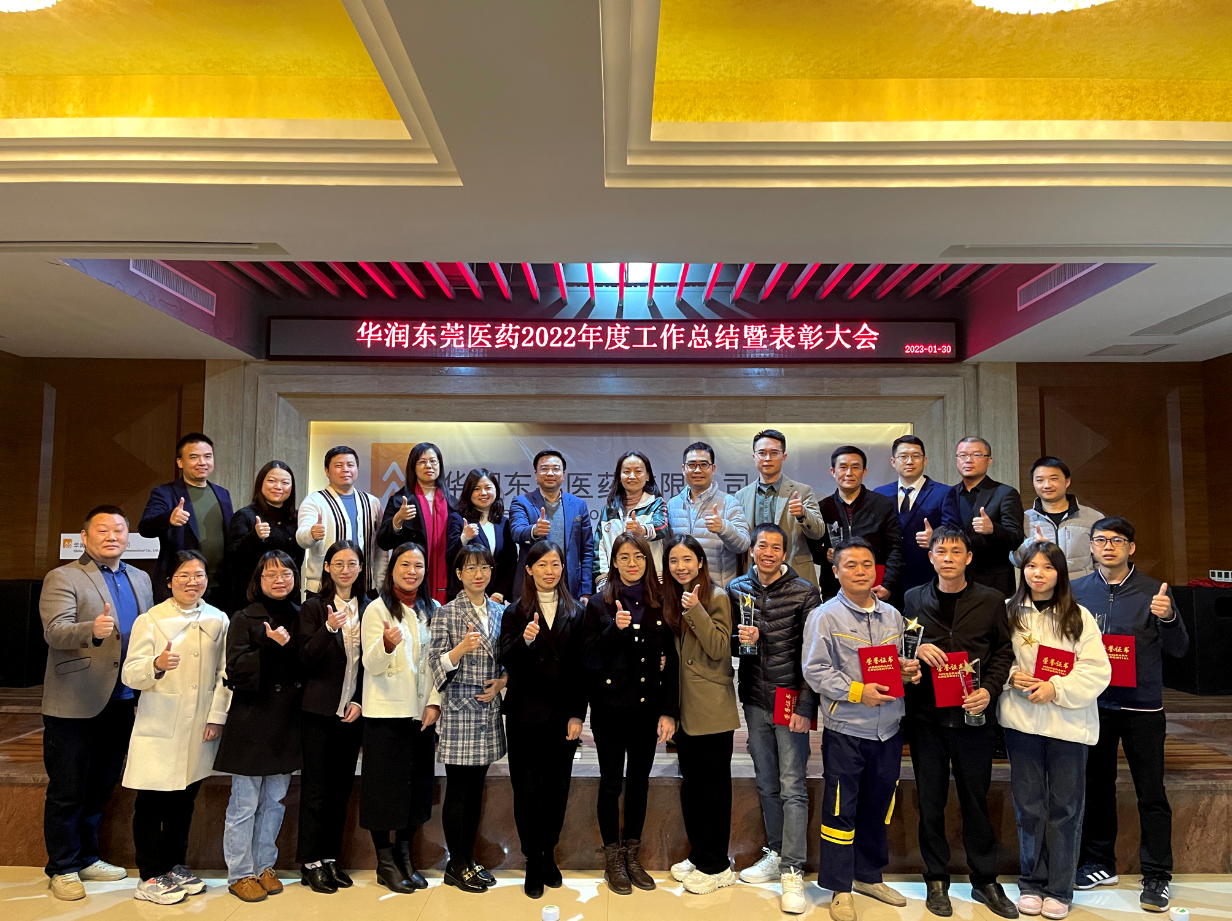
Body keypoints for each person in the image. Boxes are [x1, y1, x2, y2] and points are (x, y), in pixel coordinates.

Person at [1073, 518, 1189, 912]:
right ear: (1091, 546)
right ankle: (1099, 863)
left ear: (1131, 548)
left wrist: (1169, 617)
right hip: (1094, 706)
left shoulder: (1155, 591)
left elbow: (1179, 649)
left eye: (1117, 540)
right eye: (1101, 540)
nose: (1108, 546)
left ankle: (1157, 875)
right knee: (1097, 788)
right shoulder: (1076, 591)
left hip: (1142, 708)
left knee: (1151, 793)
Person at [903, 526, 1018, 919]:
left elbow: (1003, 651)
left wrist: (990, 689)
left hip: (974, 717)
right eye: (941, 551)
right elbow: (901, 648)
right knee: (930, 802)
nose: (948, 558)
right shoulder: (913, 598)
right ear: (930, 557)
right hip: (927, 718)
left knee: (976, 800)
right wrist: (918, 648)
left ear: (969, 558)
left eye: (956, 551)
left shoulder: (990, 599)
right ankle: (936, 878)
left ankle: (985, 879)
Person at [40, 505, 153, 900]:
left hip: (123, 698)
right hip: (74, 700)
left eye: (119, 530)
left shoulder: (140, 578)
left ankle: (87, 857)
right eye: (102, 530)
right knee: (67, 788)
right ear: (84, 537)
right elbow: (55, 631)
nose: (112, 536)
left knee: (101, 785)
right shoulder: (64, 576)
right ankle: (63, 867)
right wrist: (93, 629)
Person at [803, 537, 915, 921]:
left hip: (889, 730)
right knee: (840, 810)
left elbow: (895, 663)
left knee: (878, 807)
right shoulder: (824, 616)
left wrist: (907, 671)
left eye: (867, 564)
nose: (860, 571)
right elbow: (815, 670)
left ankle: (868, 875)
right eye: (850, 565)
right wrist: (857, 691)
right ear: (836, 571)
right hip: (847, 730)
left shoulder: (893, 616)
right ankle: (839, 887)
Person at [1000, 542, 1111, 920]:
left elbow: (1097, 669)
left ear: (1060, 573)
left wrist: (1056, 688)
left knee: (1065, 808)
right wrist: (1011, 676)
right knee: (1029, 806)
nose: (1038, 573)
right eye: (1032, 566)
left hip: (1068, 724)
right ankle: (1032, 882)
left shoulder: (1079, 616)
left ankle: (1060, 889)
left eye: (1047, 567)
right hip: (1022, 722)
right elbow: (997, 657)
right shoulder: (1009, 611)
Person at [121, 550, 230, 905]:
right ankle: (150, 874)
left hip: (199, 726)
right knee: (153, 802)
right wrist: (156, 664)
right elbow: (130, 674)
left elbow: (224, 673)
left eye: (198, 575)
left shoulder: (218, 619)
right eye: (183, 575)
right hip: (160, 723)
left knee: (185, 801)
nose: (192, 582)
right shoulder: (151, 620)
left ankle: (174, 865)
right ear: (169, 581)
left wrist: (217, 716)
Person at [727, 523, 820, 915]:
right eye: (762, 545)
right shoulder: (736, 589)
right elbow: (728, 643)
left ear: (785, 553)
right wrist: (740, 641)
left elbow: (813, 653)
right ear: (751, 550)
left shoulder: (804, 592)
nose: (768, 552)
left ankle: (793, 869)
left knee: (792, 784)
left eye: (776, 547)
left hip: (790, 699)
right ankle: (777, 852)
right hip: (754, 698)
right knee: (766, 782)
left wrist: (806, 706)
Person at [581, 533, 679, 896]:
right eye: (624, 557)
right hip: (609, 710)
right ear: (614, 562)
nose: (632, 563)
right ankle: (613, 858)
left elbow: (672, 663)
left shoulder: (661, 602)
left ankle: (633, 855)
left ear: (647, 561)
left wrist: (668, 712)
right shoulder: (599, 604)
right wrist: (615, 629)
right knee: (611, 783)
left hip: (647, 709)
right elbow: (590, 658)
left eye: (638, 557)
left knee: (639, 781)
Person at [497, 541, 588, 899]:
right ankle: (532, 858)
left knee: (557, 789)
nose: (550, 571)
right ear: (529, 570)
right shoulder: (514, 611)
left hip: (562, 718)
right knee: (527, 790)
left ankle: (548, 852)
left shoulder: (576, 611)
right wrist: (525, 641)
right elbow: (506, 658)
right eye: (542, 565)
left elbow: (581, 669)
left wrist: (578, 714)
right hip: (525, 716)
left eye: (556, 564)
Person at [213, 551, 303, 903]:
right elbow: (235, 671)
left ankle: (265, 865)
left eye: (286, 573)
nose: (280, 580)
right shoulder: (244, 616)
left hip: (287, 721)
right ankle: (240, 872)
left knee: (275, 801)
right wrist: (267, 646)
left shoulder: (300, 614)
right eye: (271, 574)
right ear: (258, 580)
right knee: (244, 803)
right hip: (252, 720)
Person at [359, 542, 441, 894]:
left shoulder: (433, 609)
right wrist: (387, 645)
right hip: (386, 713)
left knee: (415, 789)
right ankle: (385, 862)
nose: (412, 572)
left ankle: (405, 857)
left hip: (421, 713)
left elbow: (437, 663)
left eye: (418, 565)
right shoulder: (376, 609)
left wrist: (435, 703)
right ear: (391, 569)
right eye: (405, 565)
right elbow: (370, 664)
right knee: (383, 790)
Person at [661, 535, 740, 895]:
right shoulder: (670, 598)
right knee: (692, 788)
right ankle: (699, 854)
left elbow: (720, 647)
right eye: (673, 561)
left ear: (701, 562)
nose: (680, 567)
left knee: (714, 791)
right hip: (685, 709)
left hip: (711, 708)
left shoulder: (717, 596)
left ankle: (718, 865)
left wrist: (695, 610)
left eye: (687, 559)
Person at [429, 544, 508, 893]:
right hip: (461, 709)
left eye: (484, 567)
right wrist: (460, 648)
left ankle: (469, 859)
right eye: (471, 568)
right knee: (459, 789)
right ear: (459, 574)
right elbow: (434, 665)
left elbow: (508, 657)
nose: (479, 574)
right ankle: (456, 863)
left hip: (488, 708)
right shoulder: (446, 612)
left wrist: (502, 681)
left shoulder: (500, 611)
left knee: (476, 789)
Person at [296, 540, 368, 894]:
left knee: (340, 790)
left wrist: (360, 701)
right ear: (327, 567)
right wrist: (328, 629)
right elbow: (304, 659)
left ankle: (329, 857)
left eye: (352, 563)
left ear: (360, 568)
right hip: (319, 712)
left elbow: (368, 664)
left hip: (351, 713)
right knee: (316, 789)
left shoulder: (369, 606)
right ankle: (310, 862)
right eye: (338, 563)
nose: (345, 569)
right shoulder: (313, 606)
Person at [140, 433, 233, 605]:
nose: (202, 462)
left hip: (220, 586)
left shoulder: (223, 494)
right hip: (183, 586)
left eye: (207, 456)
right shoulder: (165, 493)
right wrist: (168, 519)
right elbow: (145, 527)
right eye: (194, 457)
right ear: (180, 462)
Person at [734, 429, 825, 588]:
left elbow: (818, 532)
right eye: (762, 453)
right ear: (754, 456)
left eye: (774, 453)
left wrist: (803, 514)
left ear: (784, 456)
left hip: (795, 576)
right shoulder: (741, 496)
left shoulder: (803, 491)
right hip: (755, 579)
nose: (767, 458)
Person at [814, 446, 904, 603]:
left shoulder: (881, 504)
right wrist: (824, 554)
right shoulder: (823, 507)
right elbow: (810, 547)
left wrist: (888, 584)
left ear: (864, 472)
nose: (849, 473)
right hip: (834, 590)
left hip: (875, 588)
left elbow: (895, 548)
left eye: (855, 467)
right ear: (833, 471)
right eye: (843, 467)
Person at [940, 437, 1025, 599]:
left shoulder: (1005, 493)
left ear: (989, 460)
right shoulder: (948, 494)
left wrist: (993, 529)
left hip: (993, 582)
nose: (968, 460)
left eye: (977, 455)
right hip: (955, 581)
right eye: (963, 455)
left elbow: (1016, 537)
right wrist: (934, 537)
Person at [297, 445, 386, 599]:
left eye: (350, 465)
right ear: (327, 471)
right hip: (323, 589)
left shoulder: (372, 502)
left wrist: (380, 583)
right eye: (338, 465)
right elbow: (301, 538)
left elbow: (380, 549)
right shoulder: (314, 501)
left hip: (365, 589)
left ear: (357, 469)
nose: (345, 469)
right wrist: (311, 534)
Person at [377, 442, 459, 604]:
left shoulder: (453, 504)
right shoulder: (399, 500)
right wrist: (397, 520)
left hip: (447, 580)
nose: (428, 466)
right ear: (412, 467)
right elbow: (384, 542)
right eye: (422, 462)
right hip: (410, 578)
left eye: (433, 461)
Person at [873, 435, 949, 606]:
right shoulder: (879, 494)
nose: (909, 461)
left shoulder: (944, 492)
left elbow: (955, 531)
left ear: (925, 460)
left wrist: (936, 538)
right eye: (903, 456)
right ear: (893, 461)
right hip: (888, 581)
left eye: (916, 456)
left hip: (927, 577)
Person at [509, 450, 595, 600]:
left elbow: (587, 550)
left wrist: (586, 590)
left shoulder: (578, 505)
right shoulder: (521, 502)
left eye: (556, 469)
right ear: (536, 474)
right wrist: (534, 530)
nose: (550, 473)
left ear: (563, 474)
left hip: (569, 587)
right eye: (544, 469)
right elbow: (517, 531)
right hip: (533, 585)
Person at [665, 441, 750, 588]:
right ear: (684, 469)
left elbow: (743, 545)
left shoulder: (729, 502)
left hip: (716, 589)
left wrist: (723, 528)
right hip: (680, 588)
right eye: (692, 465)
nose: (697, 470)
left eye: (704, 465)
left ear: (713, 469)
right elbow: (667, 549)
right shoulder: (673, 504)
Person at [225, 461, 304, 613]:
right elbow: (233, 557)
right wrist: (254, 537)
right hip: (252, 599)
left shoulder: (297, 518)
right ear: (260, 483)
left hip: (288, 598)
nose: (278, 487)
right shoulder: (245, 516)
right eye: (272, 481)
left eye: (285, 482)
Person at [1012, 458, 1103, 581]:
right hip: (1041, 587)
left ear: (1067, 481)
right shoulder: (1024, 519)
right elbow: (1016, 560)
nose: (1047, 485)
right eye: (1040, 480)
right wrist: (1031, 544)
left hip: (1082, 587)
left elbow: (1101, 561)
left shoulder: (1093, 517)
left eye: (1054, 479)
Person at [594, 451, 670, 587]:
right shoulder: (608, 510)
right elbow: (599, 549)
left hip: (651, 583)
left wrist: (643, 530)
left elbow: (662, 527)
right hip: (614, 584)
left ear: (647, 476)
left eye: (638, 471)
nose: (632, 476)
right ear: (619, 476)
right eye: (626, 471)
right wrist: (604, 581)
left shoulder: (656, 503)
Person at [445, 468, 516, 602]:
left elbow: (510, 562)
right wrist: (464, 538)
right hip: (464, 596)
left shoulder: (504, 523)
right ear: (468, 492)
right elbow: (450, 557)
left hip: (494, 598)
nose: (483, 493)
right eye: (476, 489)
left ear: (496, 490)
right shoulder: (458, 519)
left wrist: (499, 594)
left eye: (488, 488)